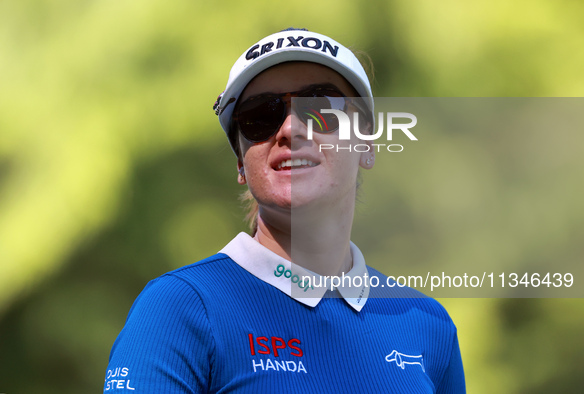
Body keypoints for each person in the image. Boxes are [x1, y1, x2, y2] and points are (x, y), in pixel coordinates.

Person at [104, 28, 466, 393]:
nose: (291, 128)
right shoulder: (179, 308)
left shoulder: (428, 325)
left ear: (367, 144)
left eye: (322, 107)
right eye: (261, 114)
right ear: (241, 164)